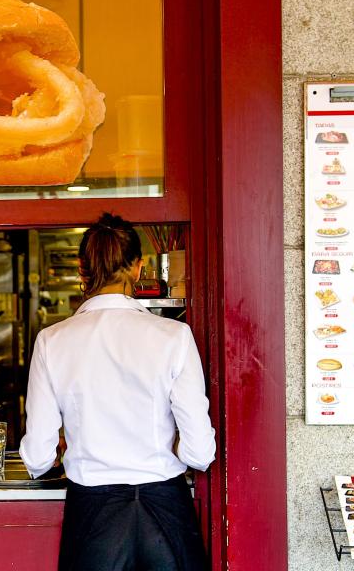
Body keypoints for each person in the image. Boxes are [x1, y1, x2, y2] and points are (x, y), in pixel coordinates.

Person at [19, 212, 217, 571]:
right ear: (139, 268)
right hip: (165, 508)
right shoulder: (173, 337)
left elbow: (37, 458)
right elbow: (201, 453)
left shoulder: (53, 341)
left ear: (83, 270)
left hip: (93, 512)